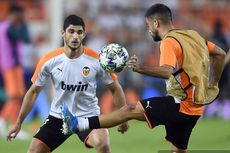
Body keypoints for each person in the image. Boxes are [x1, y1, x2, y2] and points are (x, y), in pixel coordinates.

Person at [60, 4, 226, 153]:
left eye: (148, 25)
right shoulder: (192, 35)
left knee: (129, 110)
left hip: (180, 104)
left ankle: (77, 124)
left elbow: (166, 72)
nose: (148, 30)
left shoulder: (169, 41)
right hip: (195, 109)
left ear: (156, 23)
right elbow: (220, 53)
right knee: (178, 150)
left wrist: (140, 68)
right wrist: (214, 83)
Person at [6, 15, 129, 153]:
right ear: (62, 33)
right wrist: (18, 123)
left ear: (84, 34)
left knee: (102, 144)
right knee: (33, 151)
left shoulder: (97, 60)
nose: (75, 36)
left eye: (79, 32)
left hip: (88, 116)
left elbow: (115, 88)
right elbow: (33, 92)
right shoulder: (49, 60)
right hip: (59, 117)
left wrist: (123, 117)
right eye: (71, 31)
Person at [0, 4, 30, 139]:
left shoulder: (8, 26)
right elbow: (24, 37)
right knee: (13, 96)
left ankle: (13, 124)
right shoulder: (7, 27)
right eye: (20, 14)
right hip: (10, 66)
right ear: (14, 14)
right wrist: (22, 23)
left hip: (14, 65)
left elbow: (26, 39)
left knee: (18, 96)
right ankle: (3, 121)